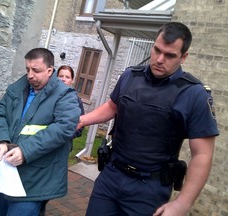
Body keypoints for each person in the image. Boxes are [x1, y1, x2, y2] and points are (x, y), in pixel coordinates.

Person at [77, 22, 219, 216]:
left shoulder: (194, 94)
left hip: (149, 189)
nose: (160, 59)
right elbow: (112, 106)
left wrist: (181, 204)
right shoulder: (130, 76)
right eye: (157, 50)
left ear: (183, 57)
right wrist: (83, 120)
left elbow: (202, 154)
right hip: (111, 176)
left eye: (170, 55)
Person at [0, 48, 81, 216]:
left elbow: (65, 127)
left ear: (50, 71)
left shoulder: (65, 95)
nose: (30, 75)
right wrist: (1, 140)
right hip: (8, 175)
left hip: (36, 180)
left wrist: (24, 150)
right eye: (27, 69)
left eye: (36, 70)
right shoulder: (17, 89)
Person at [57, 65, 85, 140]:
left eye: (67, 77)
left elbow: (80, 126)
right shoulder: (48, 96)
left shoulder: (76, 101)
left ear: (72, 80)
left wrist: (66, 136)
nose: (63, 79)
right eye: (61, 76)